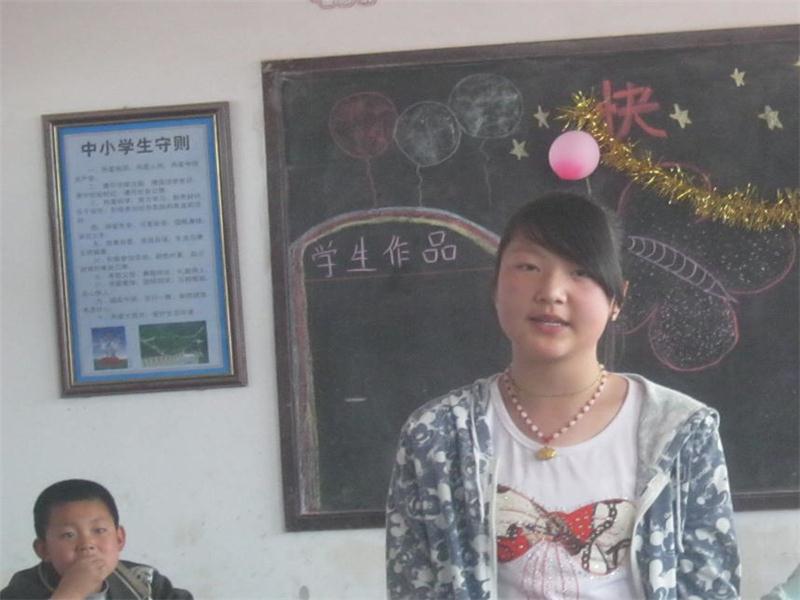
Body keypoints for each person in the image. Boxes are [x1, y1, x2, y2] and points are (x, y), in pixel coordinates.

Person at [385, 192, 740, 599]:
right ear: (495, 285)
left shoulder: (681, 432)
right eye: (529, 267)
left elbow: (710, 587)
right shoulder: (435, 437)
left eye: (581, 271)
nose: (552, 291)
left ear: (617, 299)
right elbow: (413, 587)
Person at [1, 479, 192, 600]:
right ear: (43, 550)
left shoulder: (144, 582)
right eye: (68, 535)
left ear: (119, 539)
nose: (87, 545)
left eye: (99, 530)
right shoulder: (22, 591)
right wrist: (71, 593)